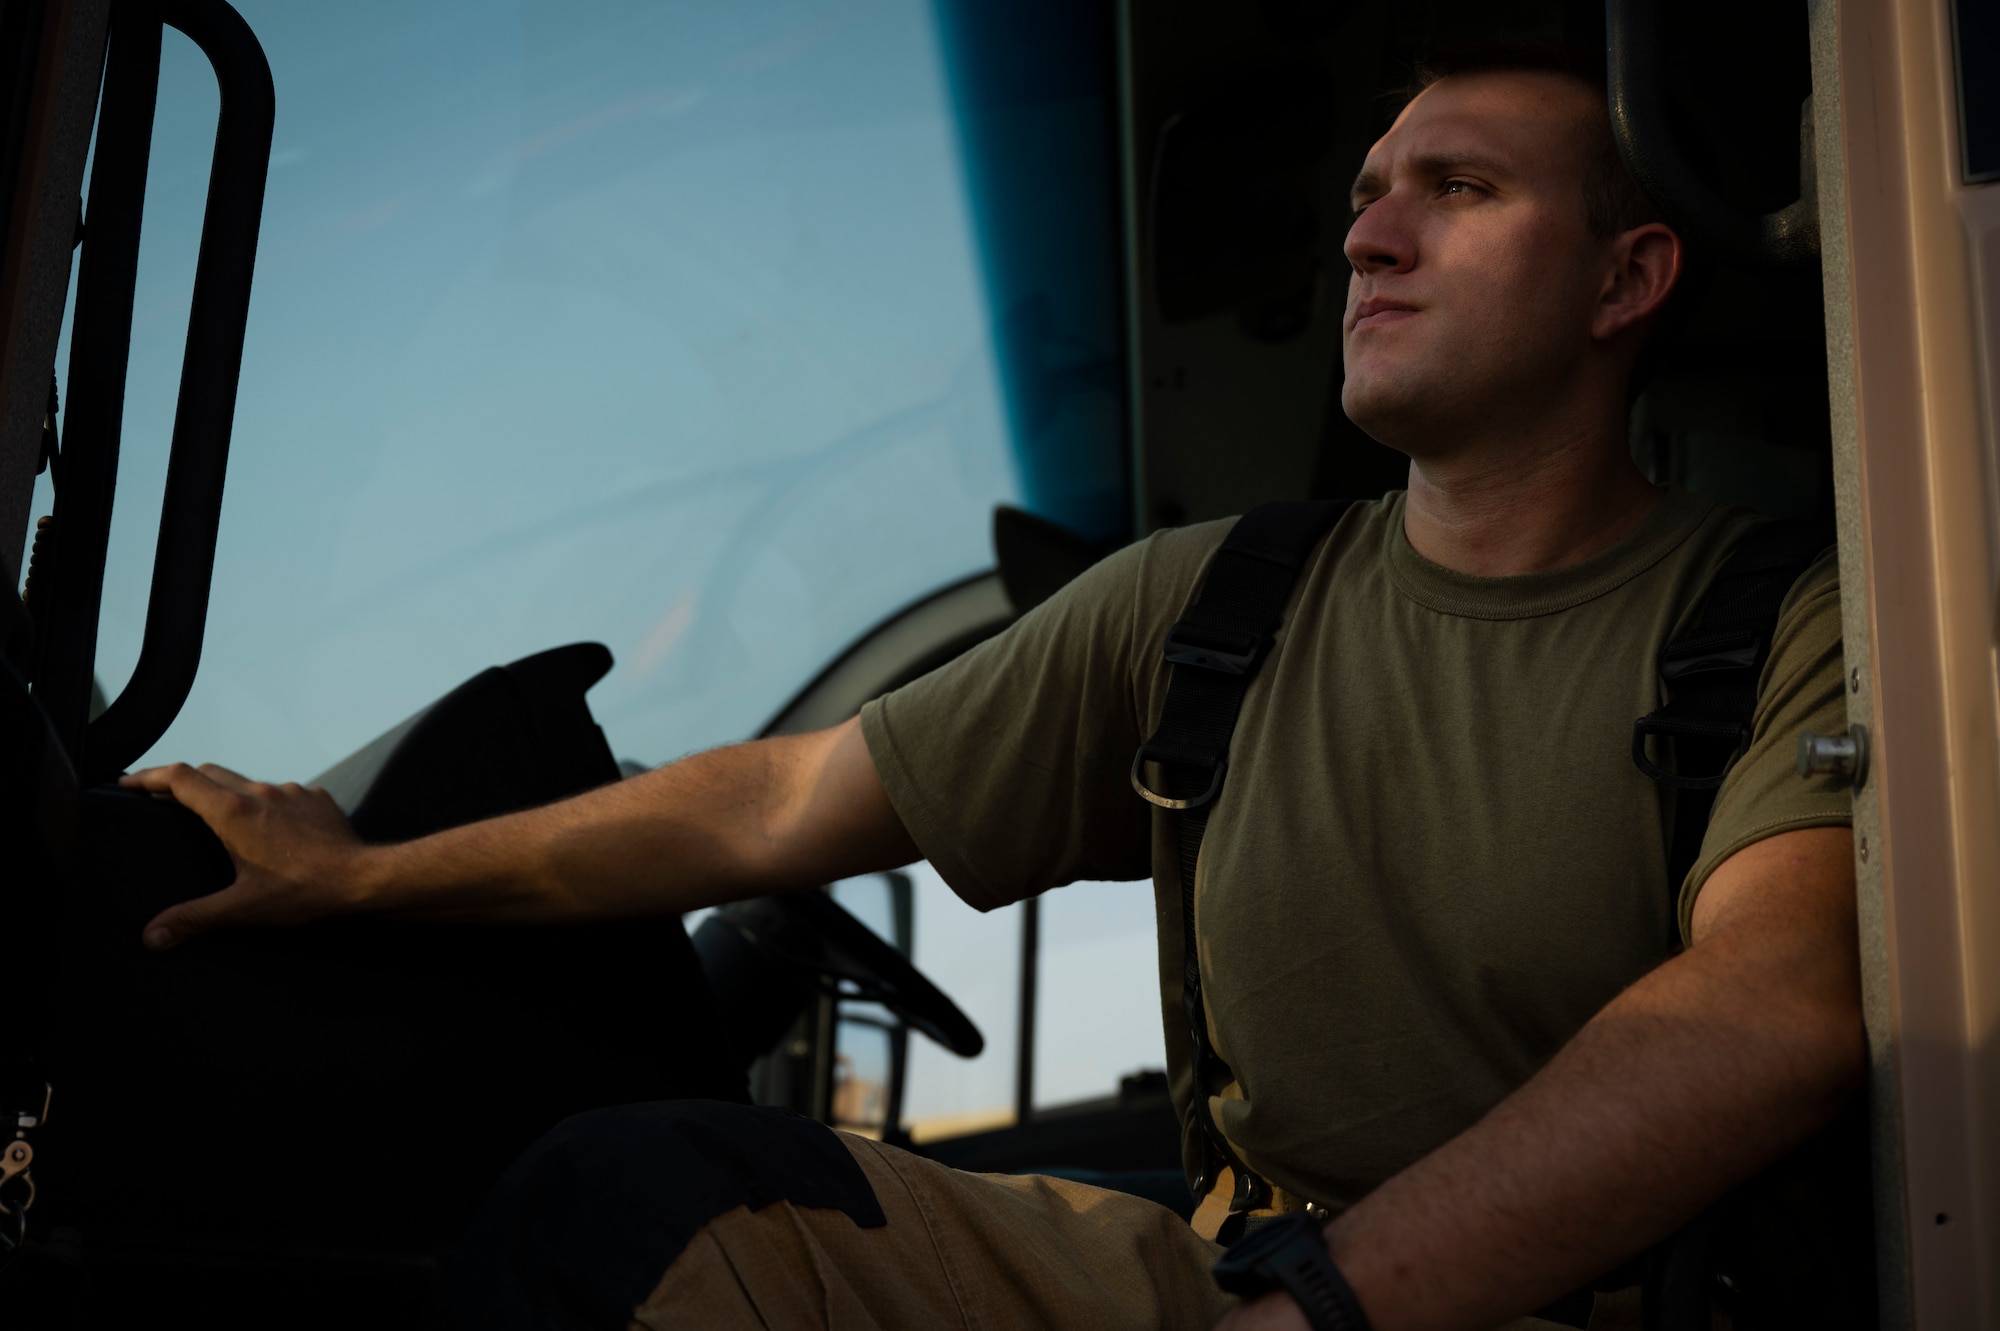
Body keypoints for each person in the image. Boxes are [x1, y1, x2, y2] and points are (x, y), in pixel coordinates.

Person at [123, 44, 1861, 1331]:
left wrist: (1318, 1318)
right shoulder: (1216, 603)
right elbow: (779, 799)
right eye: (1367, 199)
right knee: (649, 1204)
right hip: (1235, 1272)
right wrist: (357, 874)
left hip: (1598, 1304)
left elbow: (1770, 1008)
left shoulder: (1797, 618)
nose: (1366, 242)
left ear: (1629, 279)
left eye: (1457, 192)